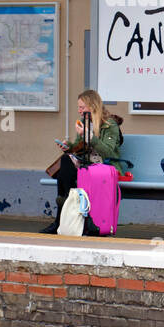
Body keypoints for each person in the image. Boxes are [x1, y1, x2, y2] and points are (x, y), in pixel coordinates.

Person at [40, 89, 123, 233]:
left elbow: (108, 152)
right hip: (86, 167)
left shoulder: (110, 125)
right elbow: (79, 149)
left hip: (104, 168)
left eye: (82, 107)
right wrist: (68, 147)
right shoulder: (85, 122)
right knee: (66, 161)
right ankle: (64, 220)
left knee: (65, 178)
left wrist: (90, 137)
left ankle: (61, 220)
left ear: (93, 106)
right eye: (78, 107)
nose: (79, 111)